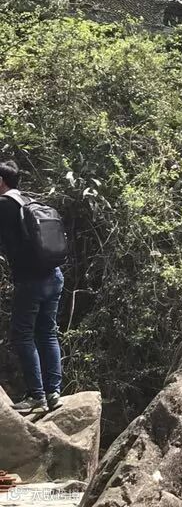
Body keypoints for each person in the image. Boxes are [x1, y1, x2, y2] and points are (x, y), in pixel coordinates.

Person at [0, 161, 64, 414]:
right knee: (47, 333)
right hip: (53, 275)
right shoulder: (27, 201)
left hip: (31, 281)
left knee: (23, 335)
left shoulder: (4, 205)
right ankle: (53, 393)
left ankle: (37, 396)